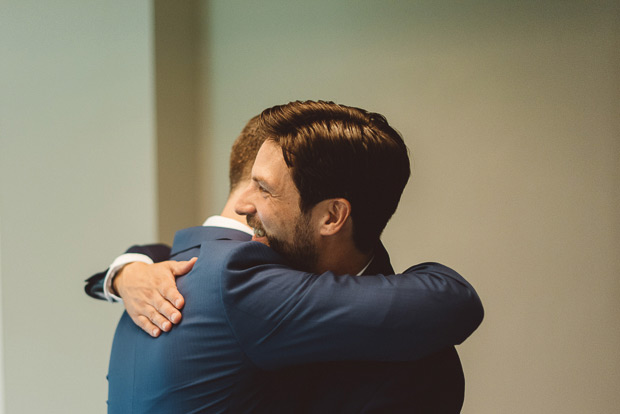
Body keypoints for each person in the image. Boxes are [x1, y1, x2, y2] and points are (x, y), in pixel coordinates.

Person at [88, 101, 483, 413]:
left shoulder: (421, 361)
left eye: (264, 189)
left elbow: (456, 301)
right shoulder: (207, 274)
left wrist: (126, 269)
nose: (244, 206)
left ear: (331, 216)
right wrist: (126, 271)